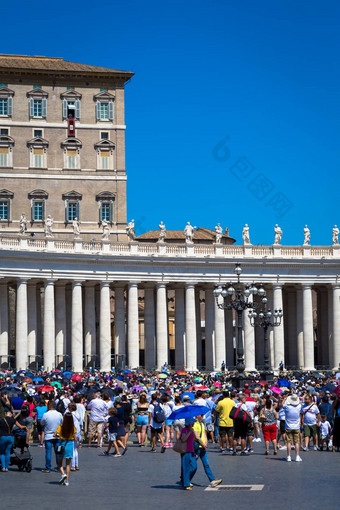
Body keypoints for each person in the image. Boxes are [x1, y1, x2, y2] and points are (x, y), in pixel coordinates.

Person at [193, 414, 222, 488]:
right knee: (192, 465)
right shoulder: (194, 424)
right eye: (201, 415)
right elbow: (196, 436)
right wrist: (203, 444)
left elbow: (204, 434)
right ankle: (185, 479)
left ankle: (212, 480)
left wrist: (205, 443)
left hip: (203, 447)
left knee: (206, 464)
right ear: (197, 416)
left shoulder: (202, 424)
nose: (202, 416)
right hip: (198, 447)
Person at [54, 412, 77, 486]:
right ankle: (67, 481)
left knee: (59, 462)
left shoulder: (60, 426)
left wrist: (57, 435)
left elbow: (55, 435)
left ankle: (63, 474)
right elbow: (75, 438)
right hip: (70, 445)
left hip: (62, 445)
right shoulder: (73, 427)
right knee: (68, 464)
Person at [40, 400, 63, 473]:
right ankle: (59, 467)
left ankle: (48, 468)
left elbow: (42, 423)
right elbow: (62, 423)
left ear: (49, 406)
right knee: (58, 452)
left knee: (48, 452)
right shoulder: (59, 414)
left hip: (48, 435)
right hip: (57, 435)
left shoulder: (46, 414)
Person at [283, 394, 302, 462]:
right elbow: (300, 403)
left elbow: (282, 405)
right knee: (296, 442)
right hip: (296, 426)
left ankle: (289, 456)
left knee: (289, 442)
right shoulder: (299, 406)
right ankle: (297, 456)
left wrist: (285, 399)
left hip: (288, 426)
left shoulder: (287, 407)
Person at [68, 403, 81, 471]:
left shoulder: (70, 415)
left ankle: (73, 465)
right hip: (78, 432)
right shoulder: (77, 414)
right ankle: (76, 464)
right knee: (75, 449)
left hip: (73, 432)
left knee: (72, 449)